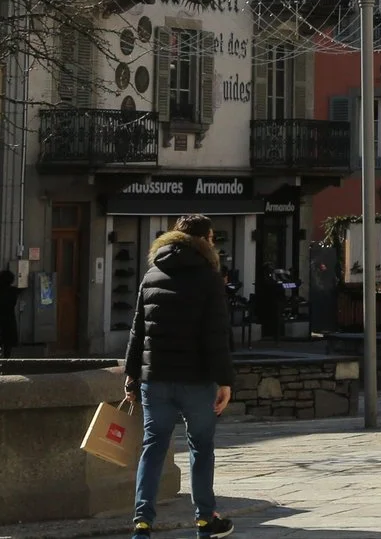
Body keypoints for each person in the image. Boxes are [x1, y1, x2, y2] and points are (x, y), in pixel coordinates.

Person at [122, 215, 235, 539]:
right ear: (205, 240)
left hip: (155, 378)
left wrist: (131, 376)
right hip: (196, 380)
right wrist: (225, 381)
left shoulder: (152, 274)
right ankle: (205, 520)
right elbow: (217, 334)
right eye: (212, 238)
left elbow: (138, 330)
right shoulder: (209, 278)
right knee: (201, 446)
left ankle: (142, 523)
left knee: (153, 447)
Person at [0, 266, 20, 358]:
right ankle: (7, 358)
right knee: (8, 341)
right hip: (9, 318)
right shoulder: (12, 291)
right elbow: (13, 303)